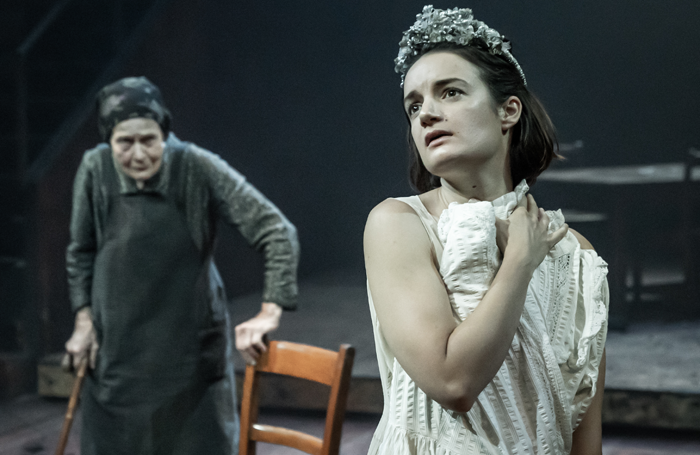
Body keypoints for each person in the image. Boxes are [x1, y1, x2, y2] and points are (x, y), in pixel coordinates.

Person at [364, 6, 608, 454]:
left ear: (508, 111)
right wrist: (517, 262)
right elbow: (452, 381)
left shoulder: (577, 255)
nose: (426, 115)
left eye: (450, 92)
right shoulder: (398, 224)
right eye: (413, 105)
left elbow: (583, 430)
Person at [63, 76, 299, 455]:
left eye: (149, 140)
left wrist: (270, 311)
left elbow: (276, 230)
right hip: (117, 364)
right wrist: (84, 321)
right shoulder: (95, 169)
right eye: (125, 143)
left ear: (164, 133)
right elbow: (81, 251)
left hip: (190, 369)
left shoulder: (196, 167)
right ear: (109, 140)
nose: (138, 155)